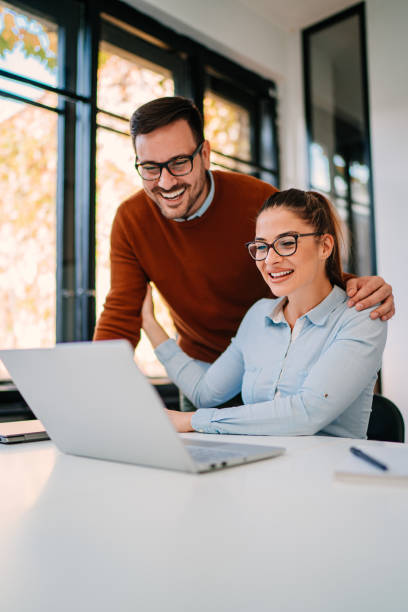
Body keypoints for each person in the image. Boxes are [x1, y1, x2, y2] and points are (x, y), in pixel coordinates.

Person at [93, 96, 393, 408]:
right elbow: (121, 314)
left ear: (205, 154)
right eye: (150, 168)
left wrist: (358, 287)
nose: (165, 182)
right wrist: (94, 390)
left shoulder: (257, 201)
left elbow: (302, 266)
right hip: (203, 374)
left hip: (274, 365)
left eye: (179, 163)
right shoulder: (131, 219)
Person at [141, 189, 387, 438]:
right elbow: (205, 392)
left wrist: (194, 420)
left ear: (324, 246)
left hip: (329, 472)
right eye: (261, 247)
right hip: (262, 465)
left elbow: (307, 413)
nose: (270, 260)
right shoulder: (258, 316)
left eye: (286, 243)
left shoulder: (361, 317)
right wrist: (149, 324)